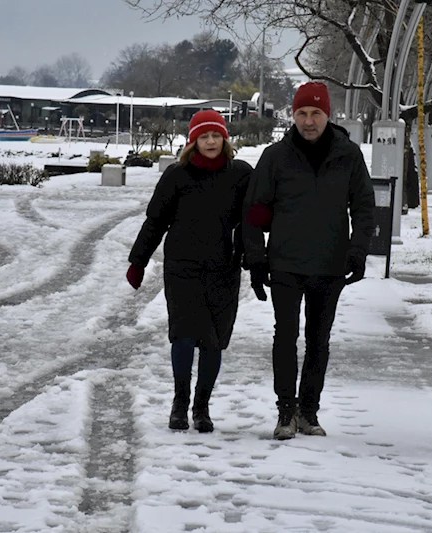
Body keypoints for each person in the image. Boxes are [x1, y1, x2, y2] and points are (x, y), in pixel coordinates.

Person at [243, 81, 376, 440]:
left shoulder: (348, 155)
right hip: (285, 262)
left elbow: (364, 207)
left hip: (330, 264)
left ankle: (308, 412)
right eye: (301, 113)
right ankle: (286, 411)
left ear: (327, 115)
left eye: (315, 113)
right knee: (285, 337)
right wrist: (256, 258)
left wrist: (358, 250)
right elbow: (254, 211)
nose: (308, 120)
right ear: (293, 115)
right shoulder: (275, 156)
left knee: (319, 340)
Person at [127, 109, 252, 433]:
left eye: (216, 135)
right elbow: (155, 221)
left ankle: (202, 408)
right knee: (183, 336)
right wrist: (138, 261)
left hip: (223, 269)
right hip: (182, 268)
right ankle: (180, 404)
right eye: (203, 136)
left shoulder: (240, 174)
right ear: (193, 141)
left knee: (213, 341)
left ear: (224, 139)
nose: (210, 142)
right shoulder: (176, 175)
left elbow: (255, 218)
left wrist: (256, 257)